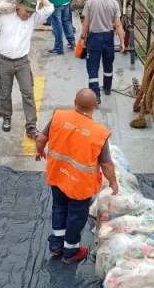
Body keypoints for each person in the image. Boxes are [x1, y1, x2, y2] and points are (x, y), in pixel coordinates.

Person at [34, 89, 119, 264]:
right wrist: (113, 182)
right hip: (80, 185)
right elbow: (106, 164)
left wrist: (39, 151)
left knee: (59, 208)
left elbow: (41, 138)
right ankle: (70, 251)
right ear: (95, 105)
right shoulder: (98, 133)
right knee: (76, 216)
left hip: (58, 175)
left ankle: (56, 245)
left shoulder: (59, 117)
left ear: (75, 102)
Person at [0, 0, 54, 137]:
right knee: (5, 93)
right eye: (26, 11)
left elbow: (49, 8)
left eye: (31, 12)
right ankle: (6, 117)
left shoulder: (32, 19)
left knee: (28, 93)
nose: (28, 15)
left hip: (23, 62)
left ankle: (31, 126)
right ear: (18, 6)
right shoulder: (4, 17)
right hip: (4, 61)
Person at [81, 0, 125, 104]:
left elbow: (85, 24)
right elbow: (118, 24)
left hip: (94, 37)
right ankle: (107, 87)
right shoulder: (113, 3)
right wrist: (122, 41)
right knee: (108, 64)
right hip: (108, 37)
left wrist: (84, 37)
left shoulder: (91, 2)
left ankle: (95, 95)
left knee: (93, 67)